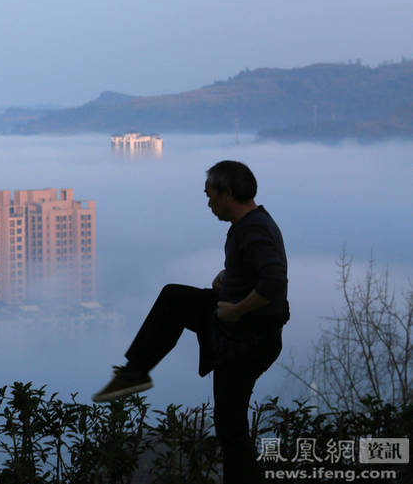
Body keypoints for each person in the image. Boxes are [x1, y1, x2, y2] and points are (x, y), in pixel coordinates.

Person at [92, 160, 289, 484]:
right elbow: (260, 270)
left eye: (210, 196)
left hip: (247, 337)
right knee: (174, 299)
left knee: (230, 428)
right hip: (237, 322)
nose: (208, 204)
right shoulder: (251, 225)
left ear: (228, 193)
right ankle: (135, 372)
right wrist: (229, 277)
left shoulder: (253, 228)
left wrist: (236, 309)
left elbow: (274, 283)